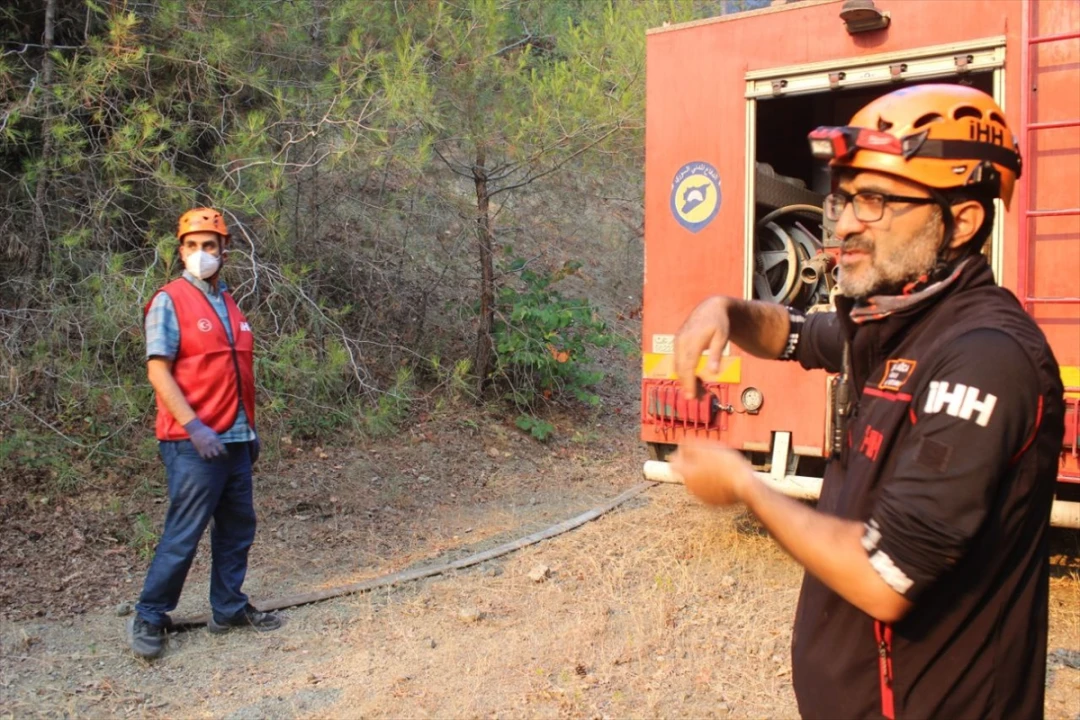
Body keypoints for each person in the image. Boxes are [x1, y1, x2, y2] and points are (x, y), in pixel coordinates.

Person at [670, 85, 1065, 719]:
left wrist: (746, 487)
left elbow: (886, 576)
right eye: (845, 197)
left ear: (961, 221)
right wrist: (721, 309)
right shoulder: (894, 323)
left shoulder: (986, 358)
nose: (846, 222)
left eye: (877, 201)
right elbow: (795, 333)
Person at [127, 208, 280, 660]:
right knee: (184, 532)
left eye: (209, 246)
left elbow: (234, 372)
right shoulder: (170, 300)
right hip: (193, 443)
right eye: (192, 246)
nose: (201, 254)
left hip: (233, 439)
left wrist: (247, 431)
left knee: (237, 528)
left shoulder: (229, 302)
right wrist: (193, 427)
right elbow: (159, 370)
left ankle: (228, 608)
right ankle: (150, 616)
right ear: (181, 251)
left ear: (223, 250)